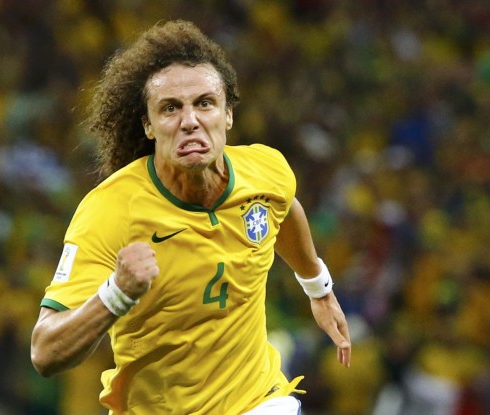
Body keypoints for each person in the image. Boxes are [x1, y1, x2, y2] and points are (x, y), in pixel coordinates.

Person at [31, 20, 351, 415]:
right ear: (147, 125)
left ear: (228, 114)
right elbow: (45, 352)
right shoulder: (110, 210)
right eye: (170, 108)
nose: (190, 121)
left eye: (204, 103)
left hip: (257, 401)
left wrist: (317, 286)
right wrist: (115, 293)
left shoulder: (266, 170)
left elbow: (283, 210)